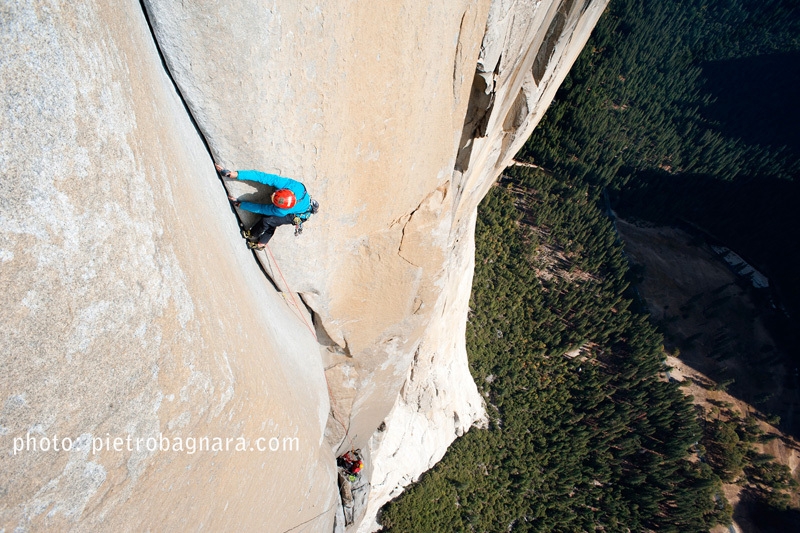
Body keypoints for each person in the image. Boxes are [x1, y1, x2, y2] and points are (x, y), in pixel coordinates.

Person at [216, 164, 318, 249]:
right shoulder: (293, 185)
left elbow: (262, 208)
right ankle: (262, 242)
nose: (270, 195)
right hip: (300, 202)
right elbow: (262, 176)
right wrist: (235, 174)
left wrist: (241, 205)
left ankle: (253, 235)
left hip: (298, 215)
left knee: (268, 220)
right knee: (272, 220)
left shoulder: (281, 211)